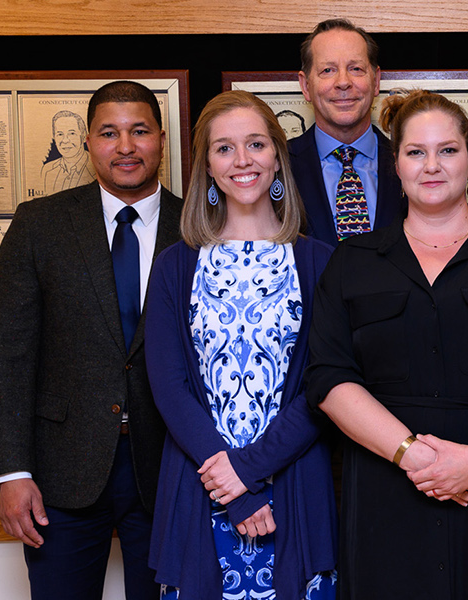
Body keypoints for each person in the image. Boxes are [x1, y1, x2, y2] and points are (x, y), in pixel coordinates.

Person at [306, 88, 468, 599]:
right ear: (394, 165)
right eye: (415, 152)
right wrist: (413, 457)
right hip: (387, 486)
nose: (432, 165)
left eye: (447, 150)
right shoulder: (352, 262)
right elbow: (328, 376)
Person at [0, 80, 183, 600]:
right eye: (109, 133)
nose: (125, 147)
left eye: (139, 131)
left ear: (161, 139)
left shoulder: (200, 226)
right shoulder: (40, 225)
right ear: (87, 142)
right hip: (60, 471)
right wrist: (11, 472)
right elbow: (8, 355)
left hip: (171, 467)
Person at [144, 90, 337, 600]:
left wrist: (247, 472)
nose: (243, 160)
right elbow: (167, 386)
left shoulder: (321, 263)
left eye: (255, 144)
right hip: (200, 483)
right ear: (206, 165)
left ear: (278, 154)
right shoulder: (175, 265)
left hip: (295, 481)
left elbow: (326, 385)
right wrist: (231, 487)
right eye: (224, 148)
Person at [288, 18, 403, 245]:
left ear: (376, 80)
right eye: (328, 70)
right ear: (305, 86)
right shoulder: (278, 166)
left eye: (356, 69)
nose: (343, 82)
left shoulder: (409, 162)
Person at [41, 110, 95, 193]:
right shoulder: (47, 170)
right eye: (60, 134)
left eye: (72, 133)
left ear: (83, 136)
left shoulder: (97, 169)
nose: (65, 140)